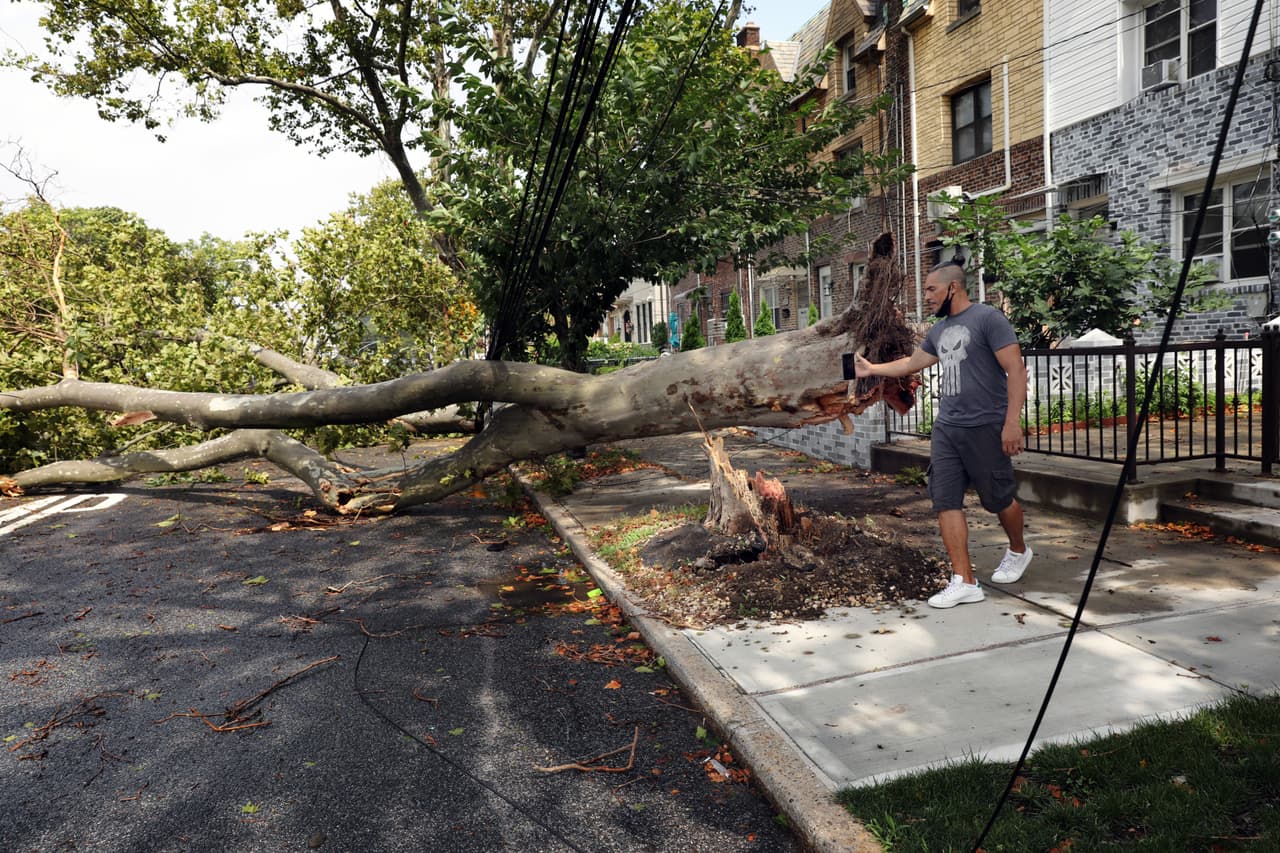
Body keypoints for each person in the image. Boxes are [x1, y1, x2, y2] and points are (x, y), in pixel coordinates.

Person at [854, 261, 1032, 608]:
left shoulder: (989, 319)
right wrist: (872, 368)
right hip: (948, 428)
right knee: (945, 499)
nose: (927, 297)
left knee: (999, 499)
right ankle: (964, 580)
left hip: (986, 425)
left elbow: (1016, 371)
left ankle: (1018, 549)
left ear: (953, 287)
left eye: (932, 290)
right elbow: (910, 364)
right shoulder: (939, 330)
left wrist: (1012, 422)